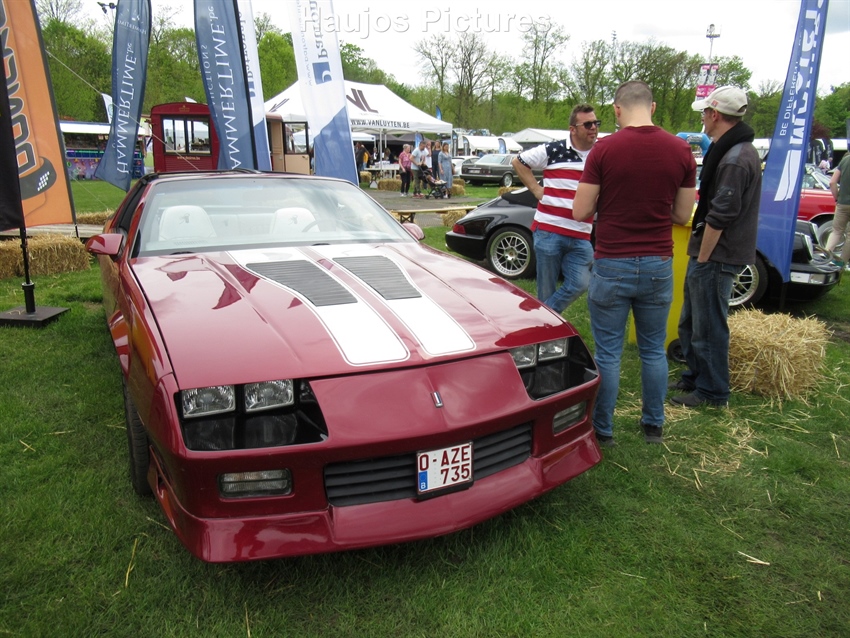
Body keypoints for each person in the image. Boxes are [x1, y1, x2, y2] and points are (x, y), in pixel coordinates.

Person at [573, 81, 696, 447]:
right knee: (653, 350)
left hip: (613, 261)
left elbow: (581, 210)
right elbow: (682, 214)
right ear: (653, 107)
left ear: (616, 109)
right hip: (658, 262)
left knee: (609, 353)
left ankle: (604, 430)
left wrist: (612, 203)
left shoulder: (604, 149)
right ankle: (653, 426)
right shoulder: (681, 150)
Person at [670, 86, 762, 408]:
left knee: (708, 326)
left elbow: (721, 215)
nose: (702, 119)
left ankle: (712, 391)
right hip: (710, 253)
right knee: (692, 322)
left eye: (704, 113)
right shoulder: (732, 150)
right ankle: (696, 376)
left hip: (717, 255)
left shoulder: (735, 158)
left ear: (715, 114)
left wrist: (705, 257)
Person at [511, 104, 599, 313]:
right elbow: (518, 161)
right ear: (573, 129)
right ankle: (546, 322)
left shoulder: (600, 154)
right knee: (546, 289)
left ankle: (543, 316)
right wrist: (536, 189)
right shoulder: (553, 150)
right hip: (549, 230)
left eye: (596, 123)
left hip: (581, 234)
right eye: (588, 124)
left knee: (581, 283)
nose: (594, 128)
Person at [825, 152, 850, 267]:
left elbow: (832, 182)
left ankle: (825, 258)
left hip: (842, 203)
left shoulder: (845, 160)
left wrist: (837, 198)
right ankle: (841, 263)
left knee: (836, 231)